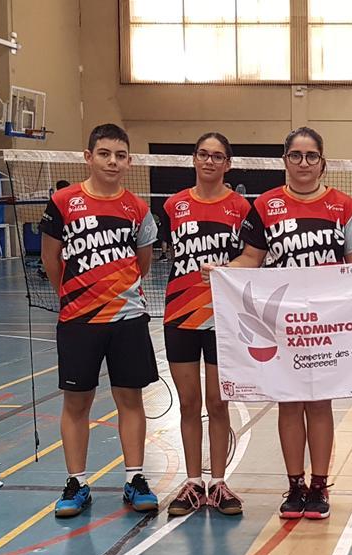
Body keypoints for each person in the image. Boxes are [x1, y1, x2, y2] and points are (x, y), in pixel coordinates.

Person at [205, 127, 352, 520]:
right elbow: (250, 260)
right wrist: (222, 271)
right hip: (281, 325)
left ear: (322, 162)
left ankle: (319, 485)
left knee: (319, 402)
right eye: (295, 155)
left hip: (325, 325)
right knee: (289, 403)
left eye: (311, 156)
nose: (303, 163)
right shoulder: (264, 206)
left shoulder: (342, 206)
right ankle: (295, 484)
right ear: (285, 161)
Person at [40, 123, 160, 518]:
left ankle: (136, 478)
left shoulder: (137, 209)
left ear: (128, 161)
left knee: (131, 399)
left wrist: (116, 294)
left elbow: (143, 262)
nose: (113, 161)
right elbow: (50, 259)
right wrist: (76, 298)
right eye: (105, 153)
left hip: (127, 319)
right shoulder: (63, 202)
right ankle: (76, 482)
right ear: (88, 156)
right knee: (77, 402)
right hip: (78, 320)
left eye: (120, 155)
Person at [163, 132, 249, 517]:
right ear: (194, 160)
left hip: (223, 318)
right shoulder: (173, 205)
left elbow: (252, 259)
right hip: (180, 315)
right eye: (203, 155)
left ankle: (219, 483)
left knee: (218, 402)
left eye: (218, 156)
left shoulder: (242, 208)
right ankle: (193, 482)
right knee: (187, 403)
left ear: (227, 164)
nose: (210, 162)